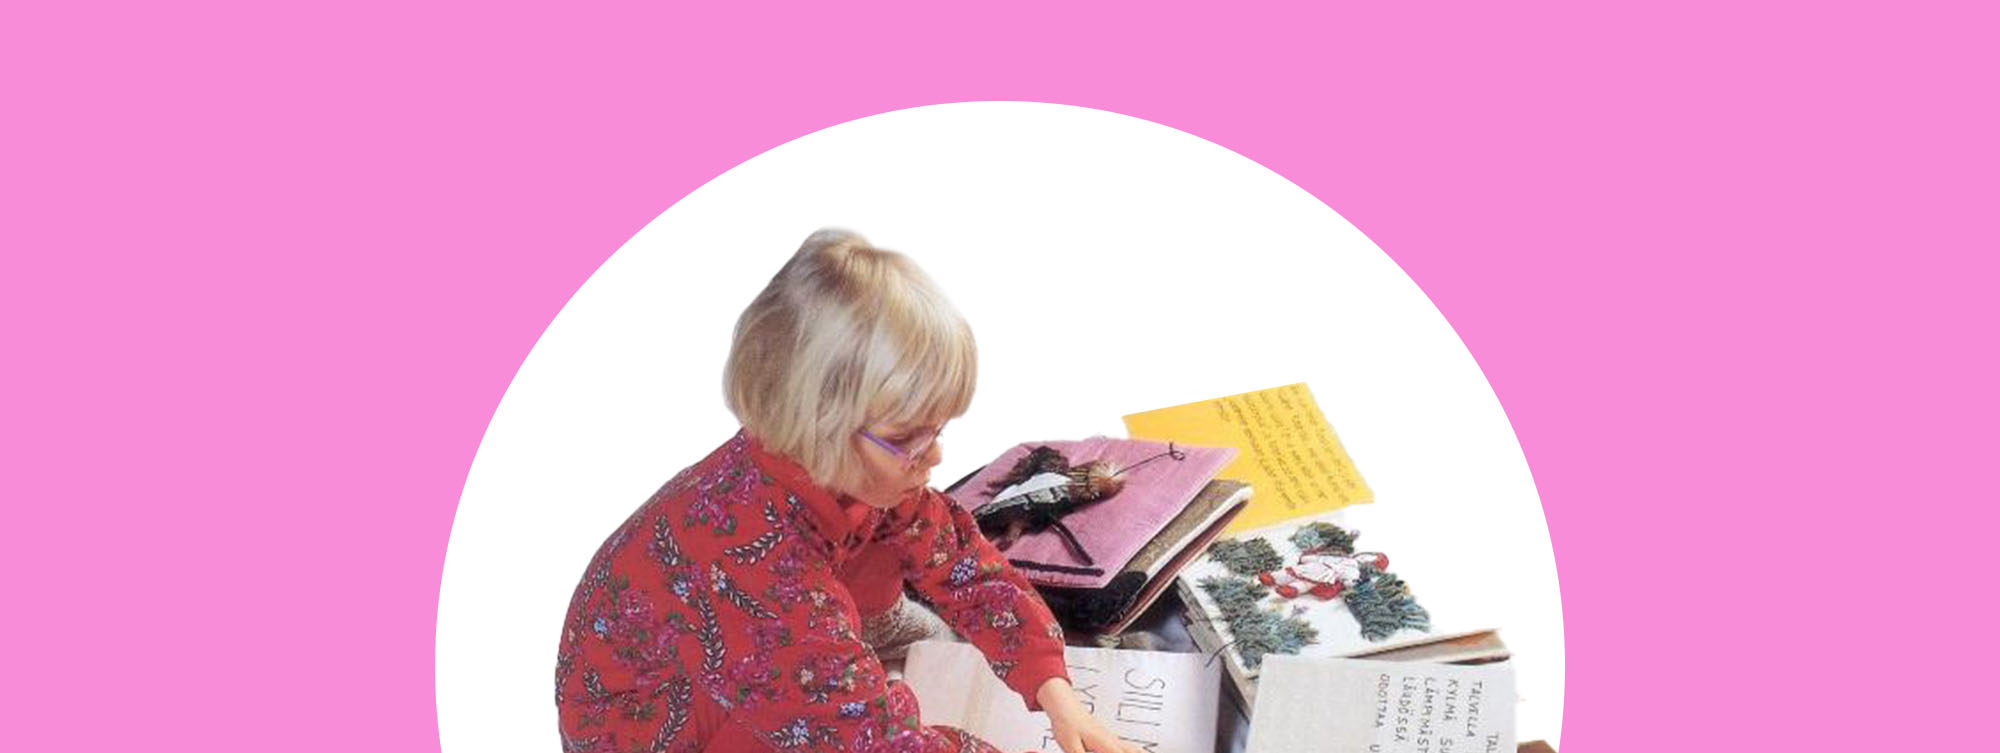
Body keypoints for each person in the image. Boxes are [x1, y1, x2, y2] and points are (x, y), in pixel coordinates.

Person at [555, 230, 1141, 753]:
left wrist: (1057, 692)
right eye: (908, 438)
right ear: (820, 426)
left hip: (769, 637)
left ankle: (862, 648)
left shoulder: (842, 465)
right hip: (662, 724)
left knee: (912, 614)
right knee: (842, 701)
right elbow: (867, 738)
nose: (936, 456)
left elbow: (963, 563)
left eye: (937, 431)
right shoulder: (760, 576)